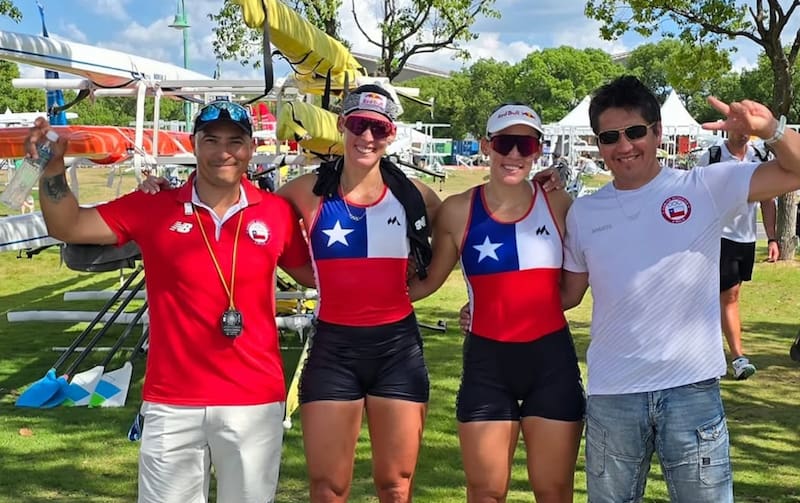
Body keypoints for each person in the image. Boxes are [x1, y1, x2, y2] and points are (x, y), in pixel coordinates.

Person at [28, 100, 314, 503]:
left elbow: (321, 277)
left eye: (235, 141)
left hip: (253, 400)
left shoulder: (277, 213)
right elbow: (68, 224)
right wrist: (52, 167)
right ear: (193, 145)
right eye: (210, 140)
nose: (223, 152)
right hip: (171, 402)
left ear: (250, 149)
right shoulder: (154, 206)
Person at [557, 76, 800, 502]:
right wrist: (488, 306)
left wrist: (771, 130)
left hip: (691, 389)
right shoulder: (584, 213)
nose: (624, 145)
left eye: (635, 132)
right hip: (613, 393)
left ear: (657, 132)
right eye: (609, 137)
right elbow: (566, 295)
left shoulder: (704, 186)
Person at [409, 103, 585, 503]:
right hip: (487, 364)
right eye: (505, 143)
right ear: (487, 145)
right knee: (486, 492)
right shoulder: (457, 211)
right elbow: (427, 282)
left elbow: (571, 293)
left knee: (554, 491)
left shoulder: (559, 205)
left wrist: (521, 307)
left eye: (525, 145)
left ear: (538, 150)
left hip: (550, 361)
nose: (515, 155)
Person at [276, 84, 443, 502]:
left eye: (378, 128)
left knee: (395, 485)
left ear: (391, 134)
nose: (366, 137)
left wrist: (421, 285)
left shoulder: (415, 196)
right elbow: (257, 225)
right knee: (328, 487)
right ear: (341, 125)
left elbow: (458, 227)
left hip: (397, 350)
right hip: (334, 349)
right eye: (358, 124)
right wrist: (314, 274)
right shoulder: (304, 192)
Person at [696, 132, 779, 379]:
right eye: (737, 126)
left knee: (731, 295)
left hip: (746, 238)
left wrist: (772, 238)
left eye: (747, 127)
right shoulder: (712, 157)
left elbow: (767, 200)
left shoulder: (759, 156)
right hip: (717, 236)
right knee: (725, 295)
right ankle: (736, 357)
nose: (742, 132)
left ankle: (728, 355)